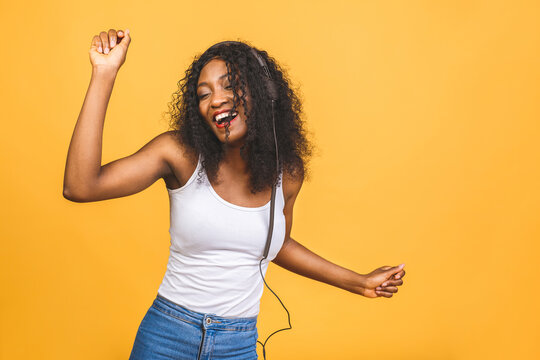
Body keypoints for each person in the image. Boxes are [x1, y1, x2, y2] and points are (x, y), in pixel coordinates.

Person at [63, 28, 407, 360]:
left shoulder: (287, 173)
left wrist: (359, 283)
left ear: (265, 93)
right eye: (203, 93)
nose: (217, 100)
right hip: (167, 335)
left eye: (230, 86)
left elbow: (278, 243)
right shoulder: (179, 153)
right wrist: (104, 74)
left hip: (238, 344)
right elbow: (80, 186)